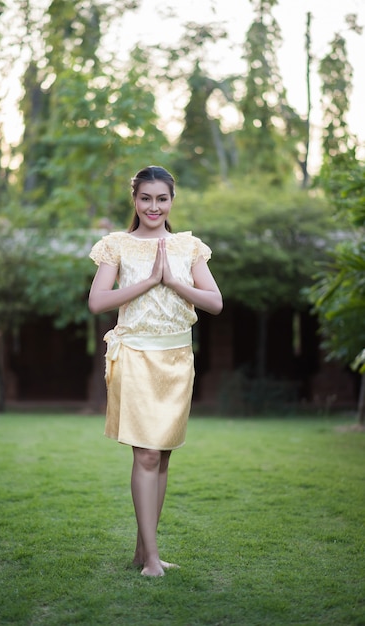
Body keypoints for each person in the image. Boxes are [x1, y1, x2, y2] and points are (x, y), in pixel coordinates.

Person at [88, 165, 222, 577]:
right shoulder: (117, 245)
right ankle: (151, 560)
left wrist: (172, 281)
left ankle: (142, 552)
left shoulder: (189, 247)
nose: (153, 206)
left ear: (172, 200)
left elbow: (214, 302)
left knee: (161, 457)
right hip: (136, 356)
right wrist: (148, 281)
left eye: (161, 198)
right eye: (145, 198)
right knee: (145, 454)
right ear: (134, 200)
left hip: (178, 359)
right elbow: (97, 302)